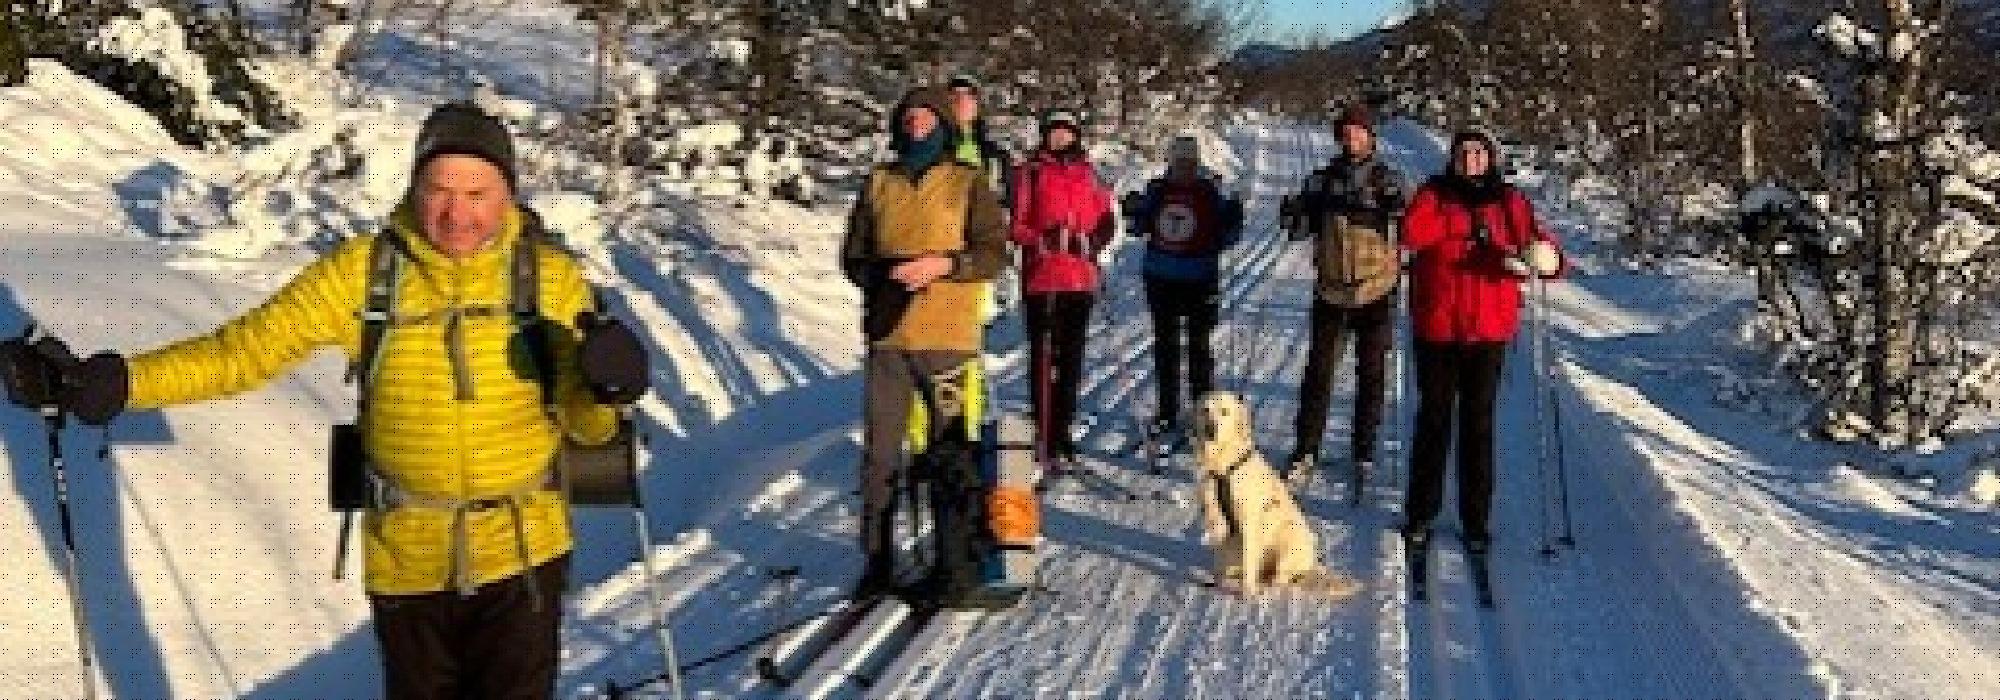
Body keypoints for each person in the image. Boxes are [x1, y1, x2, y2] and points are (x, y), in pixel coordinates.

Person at [0, 103, 652, 700]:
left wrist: (607, 390)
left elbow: (589, 431)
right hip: (408, 556)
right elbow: (242, 352)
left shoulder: (551, 282)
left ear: (508, 194)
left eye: (477, 193)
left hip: (524, 552)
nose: (458, 213)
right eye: (440, 191)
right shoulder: (364, 274)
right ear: (414, 189)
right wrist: (123, 381)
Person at [841, 85, 1009, 600]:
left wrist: (944, 265)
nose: (916, 124)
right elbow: (852, 257)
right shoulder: (878, 183)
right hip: (889, 336)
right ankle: (876, 561)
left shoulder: (968, 182)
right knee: (881, 455)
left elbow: (993, 254)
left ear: (942, 124)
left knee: (949, 452)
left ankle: (952, 562)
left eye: (926, 116)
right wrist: (884, 275)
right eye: (908, 116)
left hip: (948, 337)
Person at [1397, 131, 1563, 557]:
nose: (1471, 159)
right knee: (1433, 420)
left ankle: (1476, 520)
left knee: (1478, 424)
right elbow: (1411, 234)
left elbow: (1540, 249)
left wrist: (1548, 260)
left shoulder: (1511, 202)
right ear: (1453, 157)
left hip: (1487, 329)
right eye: (1463, 153)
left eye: (1479, 152)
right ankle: (1420, 513)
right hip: (1436, 325)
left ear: (1491, 158)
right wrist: (1464, 223)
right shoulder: (1433, 194)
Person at [1287, 105, 1407, 483]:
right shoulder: (1321, 180)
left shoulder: (1390, 178)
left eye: (1359, 131)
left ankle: (1363, 453)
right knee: (1318, 375)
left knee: (1371, 376)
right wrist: (1292, 215)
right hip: (1332, 290)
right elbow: (1299, 229)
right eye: (1346, 131)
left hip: (1377, 290)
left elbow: (1413, 224)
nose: (1352, 137)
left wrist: (1392, 208)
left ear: (1371, 136)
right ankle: (1306, 448)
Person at [1008, 109, 1115, 466]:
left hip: (1080, 278)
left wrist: (1096, 239)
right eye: (1054, 131)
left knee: (1071, 360)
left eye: (1066, 132)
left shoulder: (1089, 173)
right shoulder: (1031, 172)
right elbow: (1017, 227)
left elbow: (1106, 217)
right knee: (1043, 358)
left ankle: (1063, 431)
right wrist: (1045, 239)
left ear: (1076, 135)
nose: (1060, 137)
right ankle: (1043, 430)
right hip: (1043, 278)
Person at [1127, 135, 1244, 435]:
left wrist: (1233, 219)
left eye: (1190, 162)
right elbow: (1137, 228)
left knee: (1199, 349)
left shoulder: (1209, 193)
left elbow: (1228, 238)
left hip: (1200, 279)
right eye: (1179, 162)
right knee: (1165, 346)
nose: (1184, 168)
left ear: (1197, 163)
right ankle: (1167, 411)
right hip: (1161, 277)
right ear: (1170, 162)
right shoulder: (1157, 191)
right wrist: (1133, 209)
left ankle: (1201, 411)